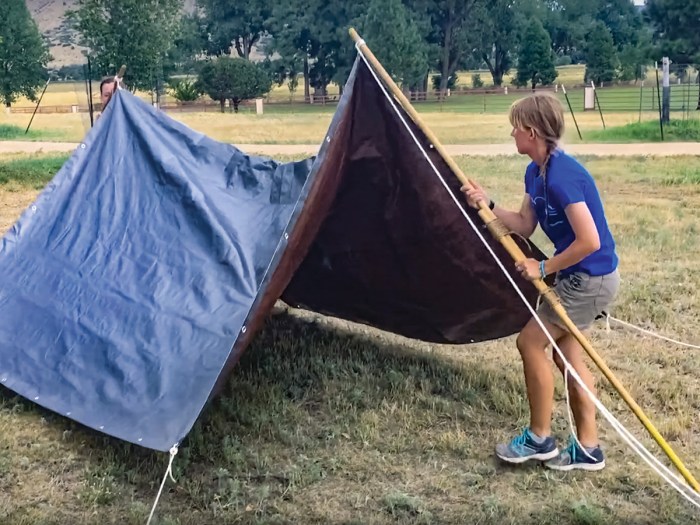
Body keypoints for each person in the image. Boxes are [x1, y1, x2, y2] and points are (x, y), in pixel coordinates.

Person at [461, 92, 620, 471]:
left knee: (530, 342)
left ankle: (539, 438)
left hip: (589, 278)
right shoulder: (536, 172)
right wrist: (487, 205)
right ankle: (588, 448)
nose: (511, 134)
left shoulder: (564, 175)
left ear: (531, 132)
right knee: (567, 356)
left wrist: (545, 268)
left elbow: (590, 241)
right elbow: (523, 224)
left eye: (515, 128)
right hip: (578, 275)